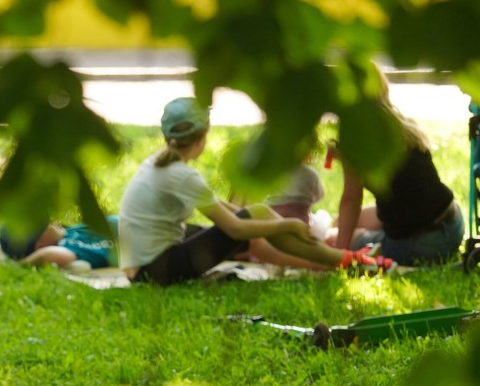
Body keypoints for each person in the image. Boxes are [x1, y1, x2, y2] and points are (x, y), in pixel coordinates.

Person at [118, 97, 393, 285]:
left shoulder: (163, 163)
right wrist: (286, 224)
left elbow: (226, 209)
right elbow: (236, 229)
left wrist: (263, 219)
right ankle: (350, 262)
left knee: (254, 217)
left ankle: (341, 261)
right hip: (152, 272)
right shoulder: (181, 175)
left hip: (145, 265)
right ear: (203, 135)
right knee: (248, 228)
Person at [330, 67, 464, 265]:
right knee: (337, 222)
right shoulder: (401, 125)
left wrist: (339, 254)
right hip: (453, 226)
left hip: (420, 244)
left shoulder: (354, 140)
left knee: (332, 238)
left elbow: (351, 199)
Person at [0, 217, 118, 271]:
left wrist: (5, 258)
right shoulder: (67, 247)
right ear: (39, 246)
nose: (53, 222)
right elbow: (47, 255)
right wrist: (18, 264)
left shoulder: (68, 233)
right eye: (47, 224)